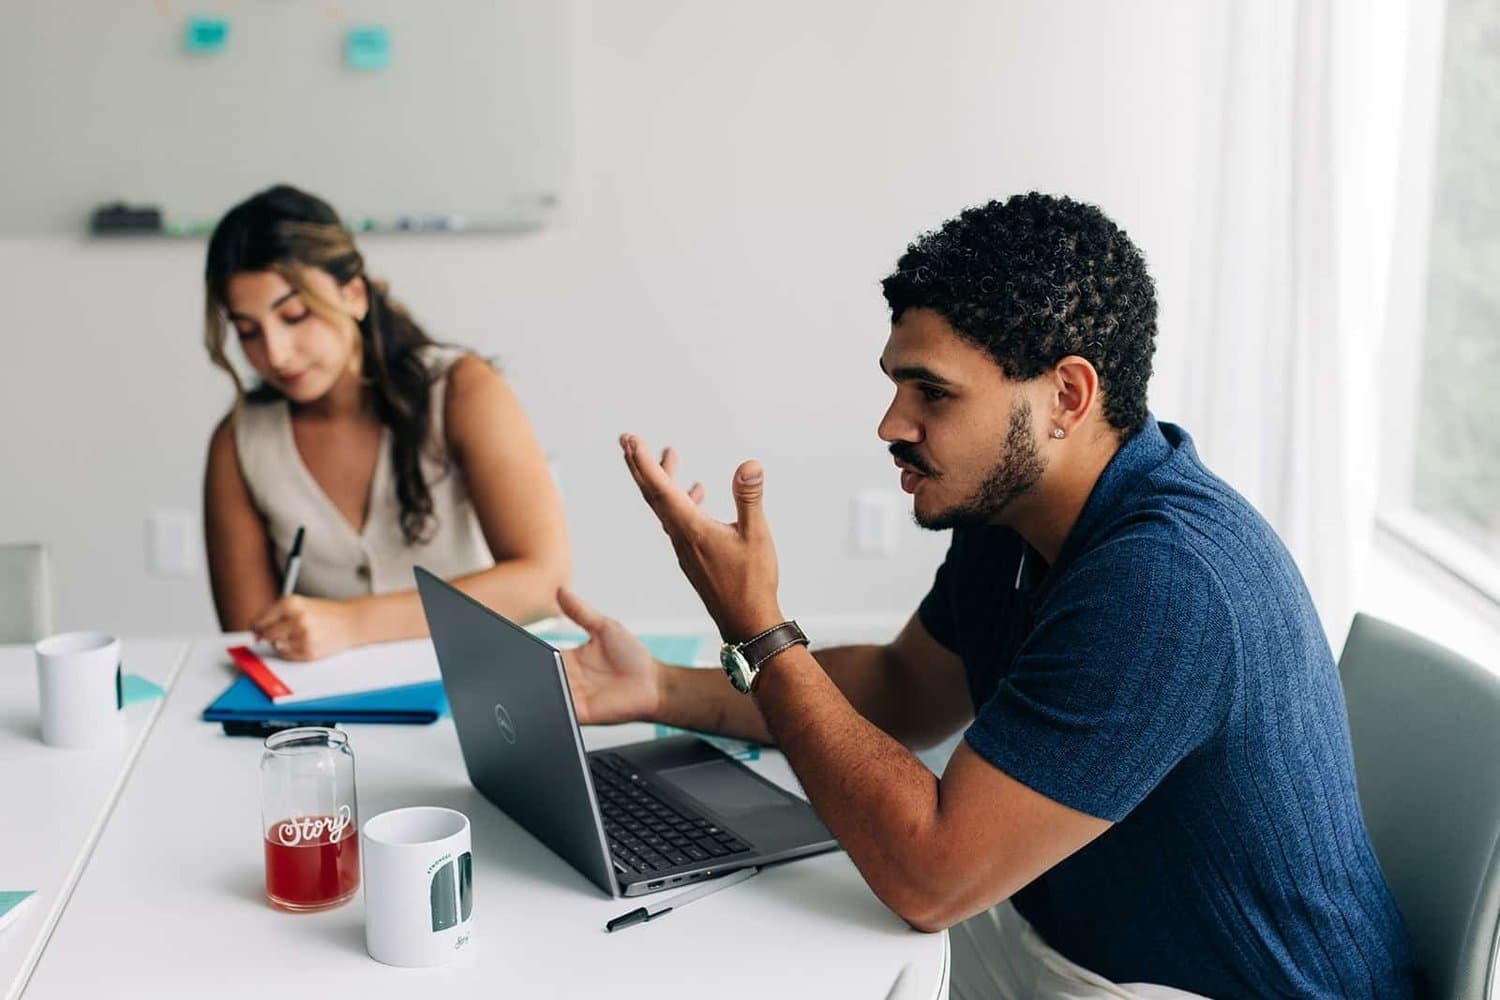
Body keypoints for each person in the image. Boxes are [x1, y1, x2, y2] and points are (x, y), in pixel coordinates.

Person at [555, 194, 1416, 998]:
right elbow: (902, 690)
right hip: (1068, 947)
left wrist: (758, 626)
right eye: (896, 384)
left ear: (1065, 398)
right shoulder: (1009, 509)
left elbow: (930, 880)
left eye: (932, 392)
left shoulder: (1164, 584)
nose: (892, 423)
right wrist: (662, 690)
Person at [201, 185, 568, 659]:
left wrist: (353, 623)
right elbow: (250, 640)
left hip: (486, 687)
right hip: (331, 714)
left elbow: (544, 582)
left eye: (294, 315)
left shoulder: (461, 390)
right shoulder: (239, 443)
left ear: (354, 295)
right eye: (248, 331)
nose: (274, 353)